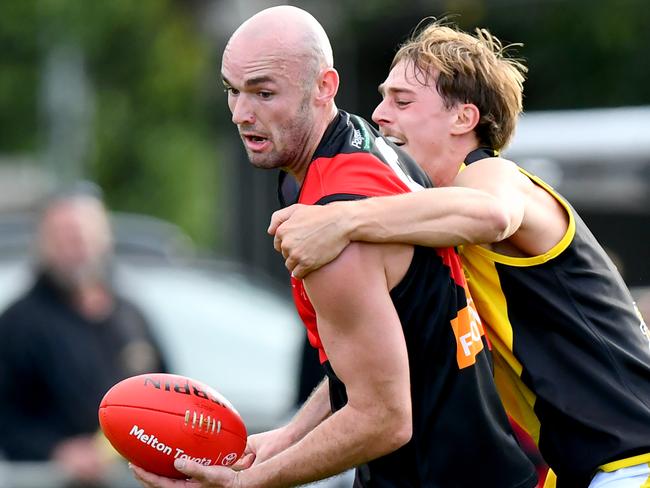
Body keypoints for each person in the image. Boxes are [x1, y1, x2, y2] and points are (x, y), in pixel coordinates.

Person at [131, 6, 538, 488]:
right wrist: (284, 438)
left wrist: (248, 483)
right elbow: (378, 353)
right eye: (232, 91)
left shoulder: (331, 227)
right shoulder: (365, 145)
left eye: (264, 92)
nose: (242, 114)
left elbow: (384, 418)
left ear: (324, 86)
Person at [268, 19, 650, 488]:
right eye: (384, 97)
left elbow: (491, 214)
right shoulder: (433, 223)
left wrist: (341, 219)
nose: (379, 114)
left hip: (632, 464)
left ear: (464, 119)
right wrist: (286, 437)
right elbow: (378, 365)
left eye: (402, 100)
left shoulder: (494, 177)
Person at [0, 184, 168, 486]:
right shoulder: (17, 324)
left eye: (84, 232)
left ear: (105, 236)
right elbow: (7, 420)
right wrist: (57, 451)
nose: (76, 244)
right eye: (63, 234)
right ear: (43, 242)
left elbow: (169, 397)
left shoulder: (132, 316)